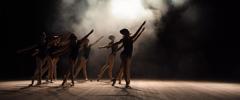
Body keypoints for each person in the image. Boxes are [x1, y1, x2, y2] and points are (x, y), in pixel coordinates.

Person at [112, 21, 146, 88]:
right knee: (125, 69)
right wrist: (141, 26)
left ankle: (115, 79)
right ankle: (127, 83)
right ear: (127, 33)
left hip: (124, 55)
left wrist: (141, 30)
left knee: (121, 68)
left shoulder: (125, 39)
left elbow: (118, 43)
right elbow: (136, 34)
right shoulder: (129, 38)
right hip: (126, 56)